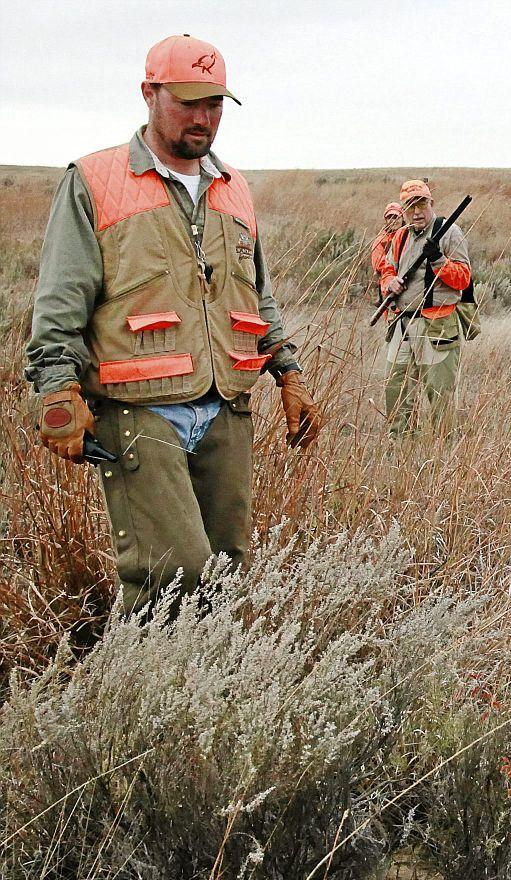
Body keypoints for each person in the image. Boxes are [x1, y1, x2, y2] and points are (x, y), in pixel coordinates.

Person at [25, 33, 322, 615]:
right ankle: (131, 692)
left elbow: (255, 294)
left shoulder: (233, 188)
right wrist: (57, 393)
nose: (203, 117)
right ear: (148, 94)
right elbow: (59, 303)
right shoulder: (94, 181)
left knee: (225, 572)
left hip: (225, 409)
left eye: (213, 104)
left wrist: (289, 374)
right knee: (173, 572)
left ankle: (204, 696)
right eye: (187, 101)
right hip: (139, 408)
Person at [378, 180, 471, 437]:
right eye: (410, 207)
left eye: (422, 205)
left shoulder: (450, 233)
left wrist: (438, 260)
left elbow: (463, 278)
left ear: (431, 204)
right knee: (395, 392)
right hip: (401, 326)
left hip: (437, 327)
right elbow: (386, 269)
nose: (417, 212)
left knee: (439, 397)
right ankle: (400, 453)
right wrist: (389, 282)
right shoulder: (400, 237)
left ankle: (442, 458)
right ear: (403, 209)